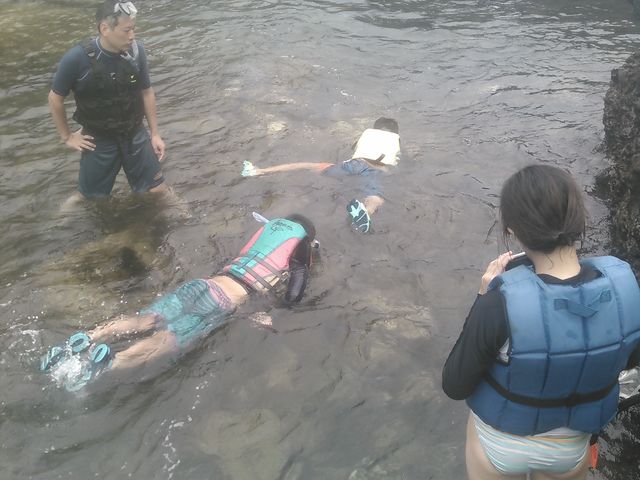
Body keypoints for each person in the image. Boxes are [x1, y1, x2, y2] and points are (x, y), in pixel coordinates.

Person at [442, 164, 640, 480]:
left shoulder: (499, 301)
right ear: (579, 219)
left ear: (512, 231)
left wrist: (483, 296)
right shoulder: (625, 286)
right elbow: (628, 360)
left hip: (500, 447)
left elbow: (455, 385)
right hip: (569, 447)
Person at [40, 214, 317, 391]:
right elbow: (297, 286)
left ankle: (88, 336)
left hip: (202, 284)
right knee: (167, 339)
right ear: (307, 234)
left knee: (147, 318)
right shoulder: (302, 242)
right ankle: (106, 364)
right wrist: (279, 311)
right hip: (223, 301)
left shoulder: (267, 229)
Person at [48, 0, 168, 201]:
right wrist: (67, 136)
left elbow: (147, 92)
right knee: (89, 200)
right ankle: (61, 217)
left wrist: (155, 134)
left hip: (134, 133)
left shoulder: (136, 52)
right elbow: (55, 99)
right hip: (98, 139)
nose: (132, 36)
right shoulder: (76, 59)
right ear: (105, 29)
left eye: (133, 29)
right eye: (126, 30)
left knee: (158, 191)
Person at [241, 117, 400, 233]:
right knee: (375, 196)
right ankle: (367, 211)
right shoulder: (396, 140)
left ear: (375, 127)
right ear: (395, 132)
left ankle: (257, 171)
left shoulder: (368, 133)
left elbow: (355, 148)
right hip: (375, 170)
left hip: (354, 164)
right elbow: (395, 161)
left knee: (309, 165)